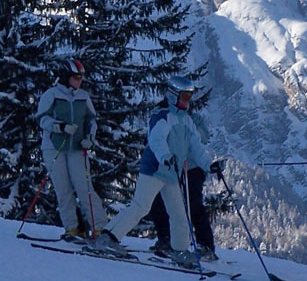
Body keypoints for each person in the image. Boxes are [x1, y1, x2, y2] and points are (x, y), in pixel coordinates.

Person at [92, 75, 223, 269]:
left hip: (171, 173)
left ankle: (179, 250)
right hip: (154, 170)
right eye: (185, 97)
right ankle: (108, 238)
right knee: (140, 207)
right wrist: (165, 156)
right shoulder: (162, 115)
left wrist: (208, 165)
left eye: (190, 97)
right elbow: (156, 140)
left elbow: (196, 146)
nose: (188, 101)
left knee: (179, 214)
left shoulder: (186, 120)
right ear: (172, 96)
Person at [35, 59, 107, 240]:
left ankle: (99, 228)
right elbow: (41, 119)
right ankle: (72, 228)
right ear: (66, 77)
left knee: (84, 186)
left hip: (77, 147)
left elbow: (91, 120)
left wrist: (90, 137)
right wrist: (60, 127)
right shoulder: (51, 95)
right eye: (76, 77)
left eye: (81, 77)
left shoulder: (83, 96)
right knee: (63, 188)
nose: (80, 80)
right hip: (54, 147)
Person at [148, 103, 218, 260]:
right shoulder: (169, 118)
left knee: (193, 204)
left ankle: (205, 245)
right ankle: (166, 239)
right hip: (172, 167)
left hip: (192, 167)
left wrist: (183, 135)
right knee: (160, 202)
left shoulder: (194, 120)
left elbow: (203, 138)